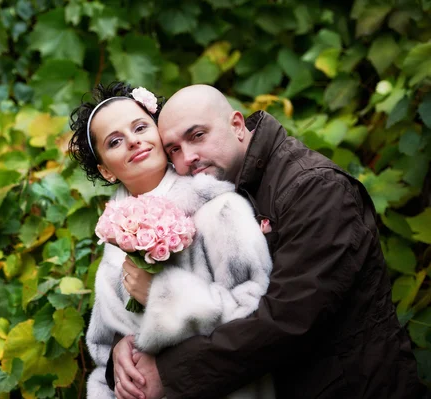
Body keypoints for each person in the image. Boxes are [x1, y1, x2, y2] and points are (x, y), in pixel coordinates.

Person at [109, 85, 424, 399]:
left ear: (236, 125)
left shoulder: (314, 188)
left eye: (197, 136)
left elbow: (289, 319)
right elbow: (209, 302)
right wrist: (131, 351)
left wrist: (166, 372)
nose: (188, 157)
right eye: (174, 149)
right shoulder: (214, 195)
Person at [68, 82, 275, 399]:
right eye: (115, 141)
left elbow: (255, 313)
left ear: (159, 133)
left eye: (140, 127)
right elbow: (107, 344)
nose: (133, 141)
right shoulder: (114, 234)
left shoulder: (218, 208)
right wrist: (116, 361)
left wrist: (165, 295)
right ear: (106, 171)